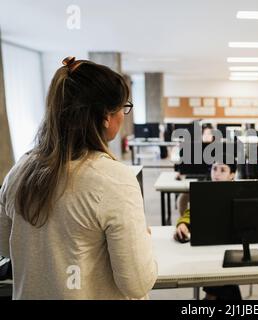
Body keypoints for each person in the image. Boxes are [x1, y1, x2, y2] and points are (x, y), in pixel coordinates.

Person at [0, 57, 157, 299]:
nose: (124, 115)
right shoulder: (114, 179)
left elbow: (6, 246)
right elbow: (136, 283)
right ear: (106, 116)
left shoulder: (18, 171)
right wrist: (142, 241)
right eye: (123, 107)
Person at [175, 162, 242, 300]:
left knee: (226, 276)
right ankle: (210, 297)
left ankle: (210, 297)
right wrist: (183, 224)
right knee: (227, 281)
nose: (216, 173)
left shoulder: (239, 192)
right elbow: (190, 212)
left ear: (232, 175)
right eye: (214, 169)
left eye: (222, 170)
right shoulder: (205, 191)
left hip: (231, 247)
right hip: (207, 249)